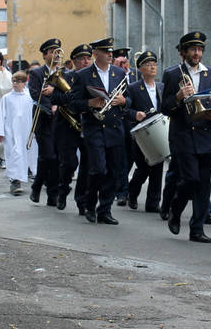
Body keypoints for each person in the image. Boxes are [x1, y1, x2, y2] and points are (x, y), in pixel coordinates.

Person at [162, 31, 211, 243]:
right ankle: (175, 210)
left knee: (204, 184)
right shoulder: (171, 74)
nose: (196, 53)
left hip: (206, 135)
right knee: (191, 179)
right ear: (184, 52)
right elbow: (164, 109)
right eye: (192, 50)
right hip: (183, 136)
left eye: (199, 50)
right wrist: (178, 97)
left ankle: (197, 229)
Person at [70, 37, 129, 225]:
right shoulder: (83, 75)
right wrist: (89, 103)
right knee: (98, 169)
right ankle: (89, 204)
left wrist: (124, 102)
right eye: (106, 52)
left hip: (114, 128)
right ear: (96, 54)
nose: (110, 55)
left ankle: (105, 209)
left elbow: (129, 100)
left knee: (112, 171)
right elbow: (73, 103)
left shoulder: (120, 73)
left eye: (111, 52)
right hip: (94, 128)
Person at [53, 44, 92, 212]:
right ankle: (62, 191)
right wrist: (67, 96)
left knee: (87, 165)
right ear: (74, 61)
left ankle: (82, 200)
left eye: (88, 58)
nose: (85, 61)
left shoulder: (93, 77)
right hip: (67, 126)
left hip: (88, 124)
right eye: (82, 59)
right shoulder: (65, 76)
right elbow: (54, 97)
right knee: (69, 163)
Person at [124, 51, 164, 212]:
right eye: (148, 64)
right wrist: (135, 114)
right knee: (143, 168)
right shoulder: (133, 88)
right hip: (141, 135)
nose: (152, 67)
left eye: (154, 63)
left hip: (159, 133)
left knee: (158, 168)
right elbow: (124, 109)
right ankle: (132, 193)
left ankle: (153, 203)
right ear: (140, 68)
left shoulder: (161, 87)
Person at [28, 38, 62, 207]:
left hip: (60, 121)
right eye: (52, 52)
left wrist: (55, 94)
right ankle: (48, 190)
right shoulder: (36, 73)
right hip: (43, 120)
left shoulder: (64, 73)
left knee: (52, 158)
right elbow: (35, 94)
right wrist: (51, 106)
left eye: (58, 52)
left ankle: (42, 189)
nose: (56, 55)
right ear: (45, 55)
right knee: (49, 156)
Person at [0, 71, 33, 195]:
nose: (16, 84)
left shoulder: (29, 97)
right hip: (11, 130)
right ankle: (15, 181)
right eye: (14, 81)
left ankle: (23, 177)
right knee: (13, 154)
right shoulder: (7, 98)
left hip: (25, 130)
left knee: (24, 154)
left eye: (19, 82)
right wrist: (0, 131)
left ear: (24, 83)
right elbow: (1, 115)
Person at [112, 47, 136, 206]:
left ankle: (122, 186)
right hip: (119, 121)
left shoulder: (136, 75)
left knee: (132, 157)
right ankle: (122, 192)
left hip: (134, 121)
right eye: (119, 61)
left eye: (125, 61)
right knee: (121, 158)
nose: (123, 64)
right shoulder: (113, 75)